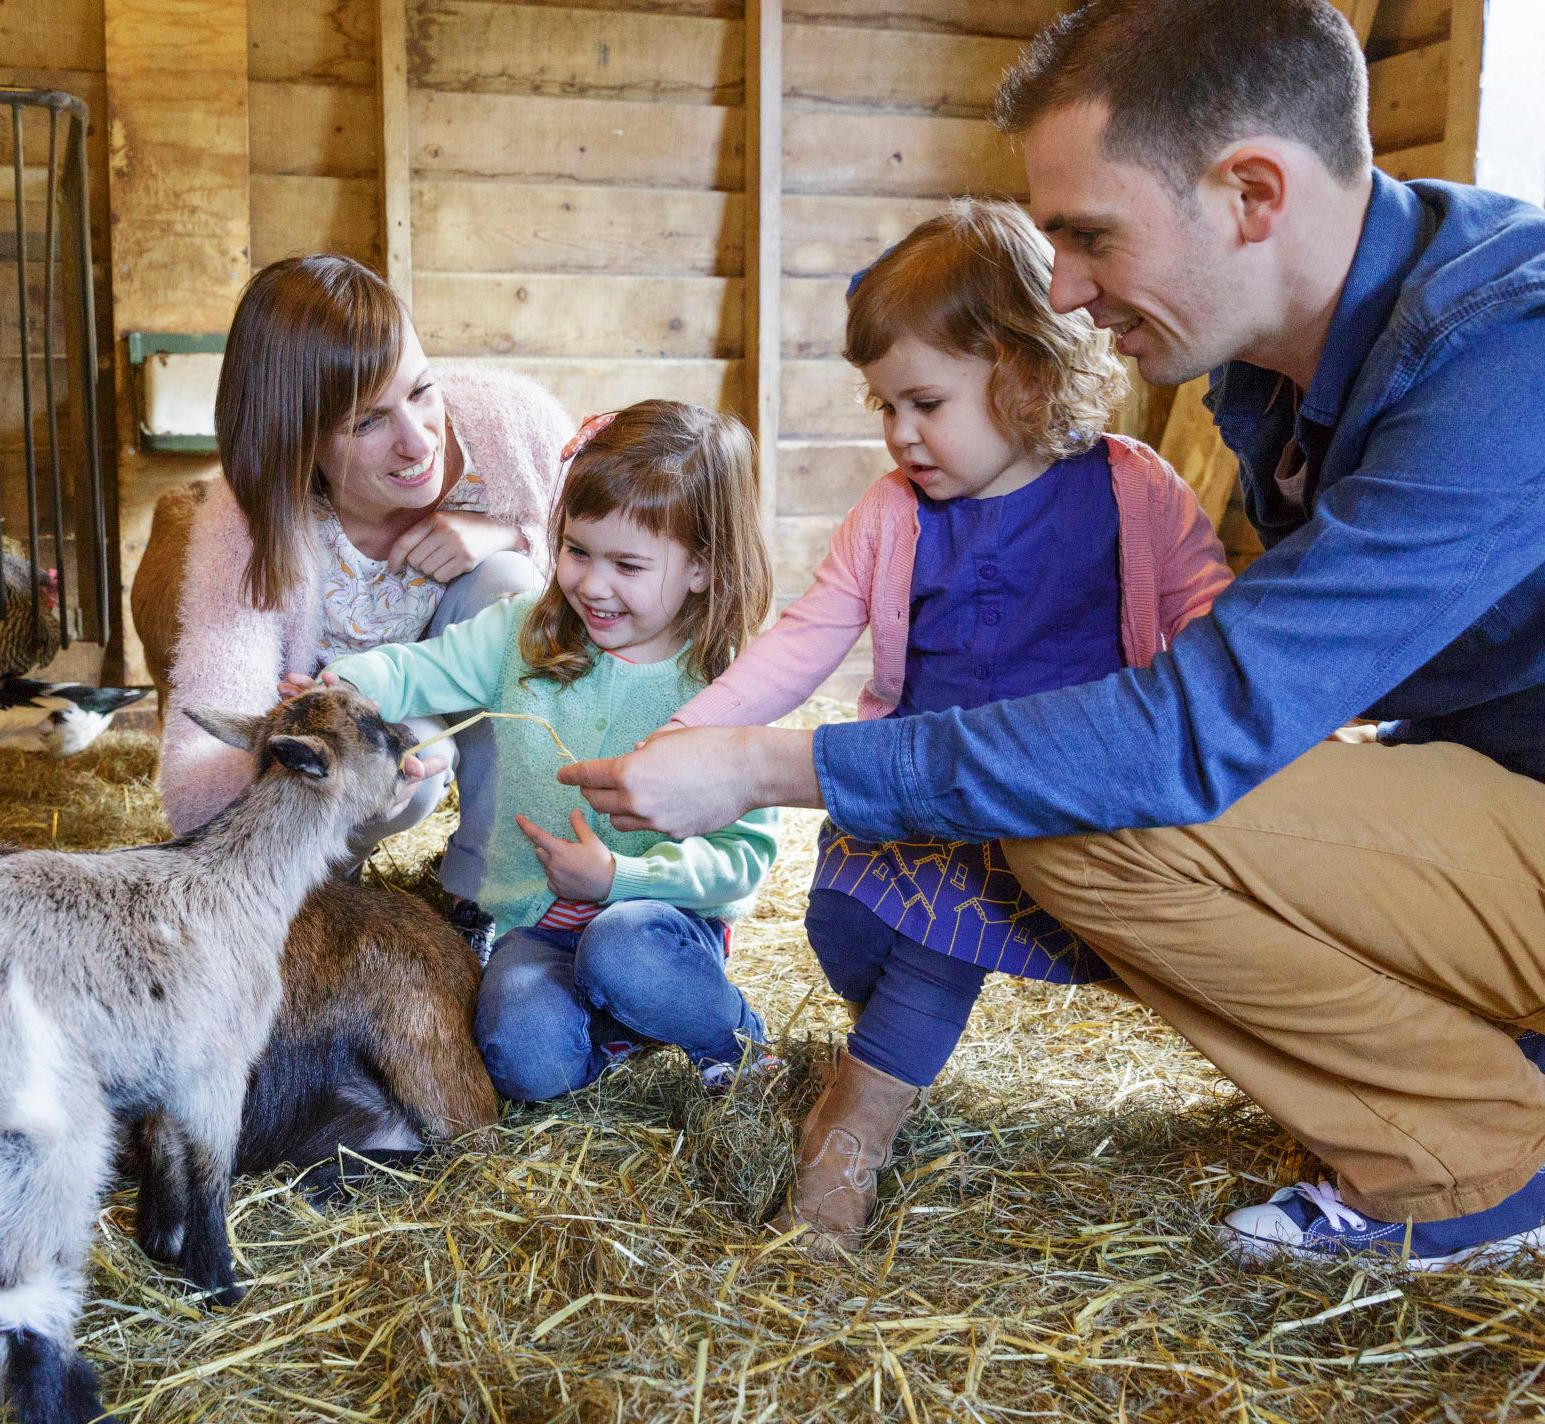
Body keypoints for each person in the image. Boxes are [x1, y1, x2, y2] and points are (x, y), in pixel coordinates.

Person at [563, 0, 1545, 1270]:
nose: (1066, 288)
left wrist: (759, 764)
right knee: (1078, 809)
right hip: (1497, 787)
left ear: (1251, 193)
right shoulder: (1289, 364)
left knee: (1098, 814)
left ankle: (1479, 1159)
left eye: (1089, 234)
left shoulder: (1505, 360)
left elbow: (1191, 723)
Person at [661, 200, 1229, 1252]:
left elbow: (1212, 618)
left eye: (922, 401)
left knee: (932, 947)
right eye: (881, 405)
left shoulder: (1130, 491)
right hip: (897, 784)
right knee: (840, 924)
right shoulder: (894, 512)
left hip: (1046, 809)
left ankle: (849, 1142)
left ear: (1022, 371)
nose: (897, 433)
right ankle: (888, 1055)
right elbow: (805, 636)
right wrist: (687, 739)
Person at [298, 401, 780, 1100]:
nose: (591, 583)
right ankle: (615, 1034)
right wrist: (341, 685)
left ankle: (730, 1039)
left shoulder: (730, 685)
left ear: (702, 567)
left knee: (625, 953)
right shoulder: (529, 633)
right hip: (540, 926)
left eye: (628, 564)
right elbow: (414, 669)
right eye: (577, 551)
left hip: (661, 925)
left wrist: (617, 878)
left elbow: (742, 861)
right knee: (523, 1064)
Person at [158, 254, 572, 912]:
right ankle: (320, 894)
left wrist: (507, 535)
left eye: (420, 391)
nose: (418, 442)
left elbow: (602, 587)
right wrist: (343, 787)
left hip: (459, 678)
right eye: (366, 422)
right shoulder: (253, 522)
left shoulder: (512, 431)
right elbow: (202, 759)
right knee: (404, 758)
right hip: (352, 729)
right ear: (300, 440)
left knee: (513, 586)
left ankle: (486, 893)